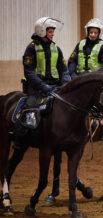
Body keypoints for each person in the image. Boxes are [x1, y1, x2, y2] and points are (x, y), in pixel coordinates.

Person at [17, 17, 70, 149]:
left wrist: (65, 84)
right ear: (41, 31)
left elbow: (64, 70)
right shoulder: (31, 48)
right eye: (50, 31)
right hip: (35, 87)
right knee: (30, 107)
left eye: (53, 31)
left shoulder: (56, 48)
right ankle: (20, 136)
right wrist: (42, 86)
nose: (53, 34)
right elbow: (29, 72)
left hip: (55, 86)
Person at [68, 18, 103, 140]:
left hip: (95, 81)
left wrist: (95, 75)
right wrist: (72, 74)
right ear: (87, 32)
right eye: (91, 32)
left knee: (102, 101)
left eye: (95, 33)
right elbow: (72, 60)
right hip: (79, 79)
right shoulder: (80, 44)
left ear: (99, 34)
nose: (92, 35)